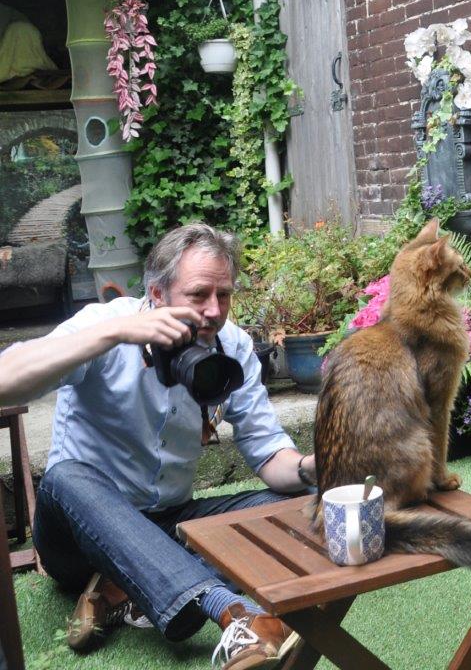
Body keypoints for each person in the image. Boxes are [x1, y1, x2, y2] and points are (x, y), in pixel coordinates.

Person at [0, 223, 318, 670]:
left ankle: (122, 589)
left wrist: (310, 467)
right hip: (77, 533)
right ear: (157, 293)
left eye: (224, 295)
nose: (213, 310)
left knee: (308, 503)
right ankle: (236, 614)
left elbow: (268, 454)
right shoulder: (105, 325)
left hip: (170, 522)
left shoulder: (232, 347)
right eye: (198, 294)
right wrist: (115, 334)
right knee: (67, 475)